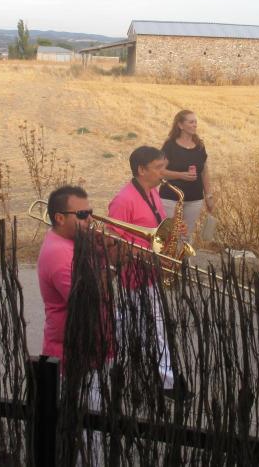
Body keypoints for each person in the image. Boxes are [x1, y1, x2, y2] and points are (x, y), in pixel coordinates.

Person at [107, 145, 185, 394]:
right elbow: (113, 245)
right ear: (141, 170)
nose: (164, 173)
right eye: (158, 168)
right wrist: (148, 256)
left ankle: (115, 369)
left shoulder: (152, 192)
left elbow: (157, 229)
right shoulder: (123, 201)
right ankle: (168, 383)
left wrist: (173, 232)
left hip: (150, 272)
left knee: (128, 324)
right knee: (157, 327)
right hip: (136, 274)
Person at [38, 185, 93, 360]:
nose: (90, 219)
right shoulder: (59, 253)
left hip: (83, 349)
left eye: (90, 212)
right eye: (82, 214)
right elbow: (86, 300)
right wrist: (112, 264)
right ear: (60, 218)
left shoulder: (71, 239)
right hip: (70, 355)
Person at [159, 110, 214, 241]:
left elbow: (204, 172)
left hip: (195, 199)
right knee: (169, 236)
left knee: (186, 236)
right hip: (171, 198)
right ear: (180, 125)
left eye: (195, 122)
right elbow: (160, 172)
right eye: (191, 122)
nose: (195, 125)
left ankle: (183, 255)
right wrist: (180, 175)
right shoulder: (170, 145)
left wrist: (209, 196)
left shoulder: (200, 146)